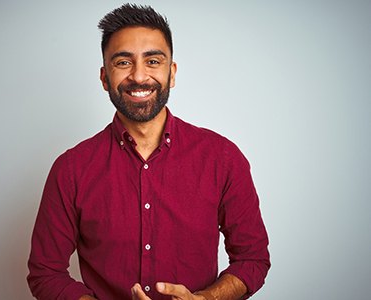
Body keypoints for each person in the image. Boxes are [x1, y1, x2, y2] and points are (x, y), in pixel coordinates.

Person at [27, 4, 270, 300]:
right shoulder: (70, 169)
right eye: (123, 62)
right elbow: (45, 272)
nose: (139, 76)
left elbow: (252, 259)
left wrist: (206, 299)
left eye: (153, 61)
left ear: (172, 73)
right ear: (105, 77)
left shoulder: (223, 158)